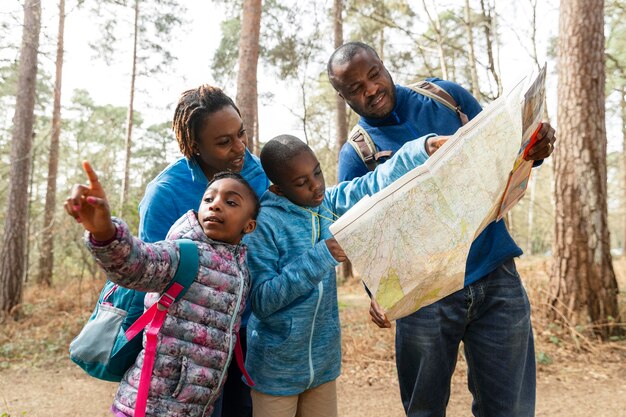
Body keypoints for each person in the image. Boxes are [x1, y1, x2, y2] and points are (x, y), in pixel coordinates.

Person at [327, 41, 557, 417]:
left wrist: (536, 147)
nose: (370, 89)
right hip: (424, 297)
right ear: (342, 95)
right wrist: (378, 292)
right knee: (424, 410)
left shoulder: (446, 97)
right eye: (355, 88)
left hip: (496, 274)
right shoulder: (358, 153)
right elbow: (362, 233)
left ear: (383, 66)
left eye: (373, 75)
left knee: (511, 409)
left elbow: (505, 148)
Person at [244, 133, 441, 417]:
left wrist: (420, 150)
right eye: (301, 183)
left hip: (323, 366)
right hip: (276, 372)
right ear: (278, 188)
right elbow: (262, 300)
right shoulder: (265, 225)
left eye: (317, 173)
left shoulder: (327, 206)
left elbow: (372, 184)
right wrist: (320, 257)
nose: (316, 187)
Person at [64, 162, 260, 417]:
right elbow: (136, 264)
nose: (215, 204)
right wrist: (105, 233)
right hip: (149, 405)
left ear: (249, 226)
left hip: (195, 407)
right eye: (208, 198)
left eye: (231, 202)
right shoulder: (184, 253)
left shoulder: (241, 270)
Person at [138, 84, 269, 417]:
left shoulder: (253, 170)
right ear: (194, 145)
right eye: (224, 142)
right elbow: (148, 274)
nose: (240, 148)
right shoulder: (165, 194)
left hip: (246, 338)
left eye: (241, 135)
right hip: (187, 353)